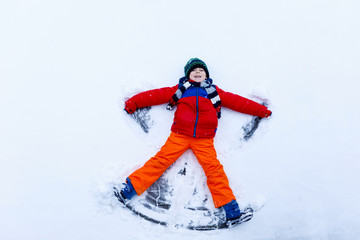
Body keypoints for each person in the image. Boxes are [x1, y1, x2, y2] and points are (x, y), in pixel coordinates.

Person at [114, 58, 272, 223]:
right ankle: (127, 191)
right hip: (179, 136)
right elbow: (154, 96)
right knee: (159, 162)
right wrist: (133, 102)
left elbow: (238, 102)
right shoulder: (181, 89)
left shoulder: (214, 92)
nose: (198, 73)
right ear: (188, 75)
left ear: (206, 75)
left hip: (204, 140)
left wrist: (261, 111)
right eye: (194, 71)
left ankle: (231, 211)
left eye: (201, 71)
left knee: (214, 171)